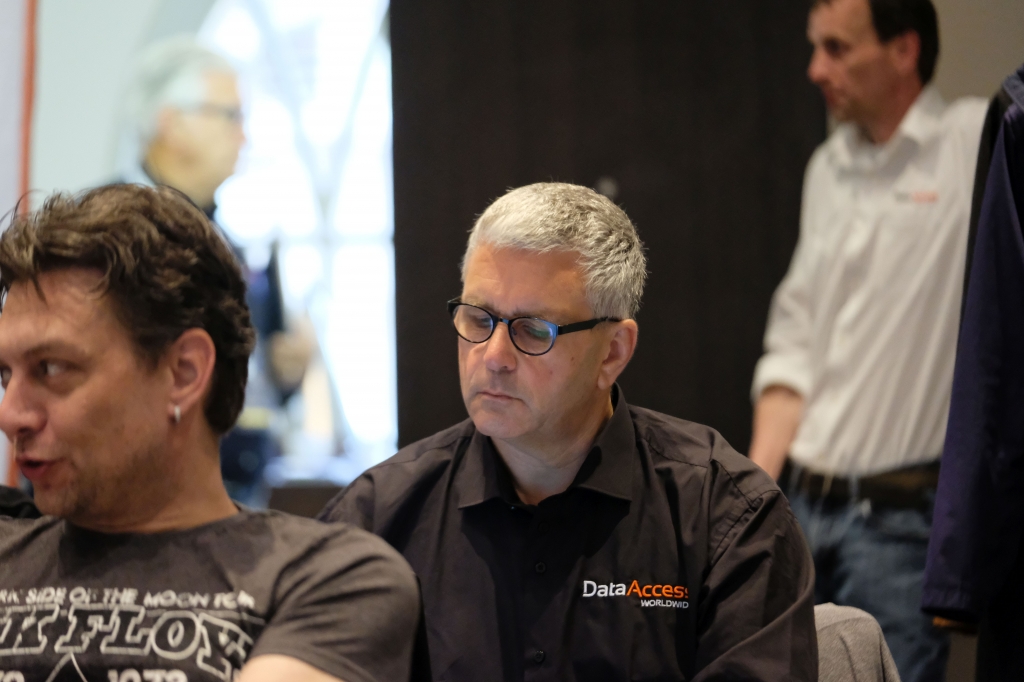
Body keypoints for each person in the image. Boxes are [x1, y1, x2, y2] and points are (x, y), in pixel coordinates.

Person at [320, 182, 817, 681]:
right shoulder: (377, 518)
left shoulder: (726, 517)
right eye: (478, 319)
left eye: (533, 329)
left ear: (613, 353)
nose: (493, 357)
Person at [0, 184, 419, 682]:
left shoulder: (328, 580)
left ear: (184, 372)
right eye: (5, 375)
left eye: (51, 368)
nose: (10, 414)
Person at [747, 0, 986, 679]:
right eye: (815, 46)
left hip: (900, 524)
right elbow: (795, 340)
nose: (815, 68)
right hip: (800, 510)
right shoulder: (828, 167)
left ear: (904, 50)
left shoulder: (972, 142)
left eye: (838, 48)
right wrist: (752, 496)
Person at [119, 37, 313, 504]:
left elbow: (249, 374)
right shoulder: (110, 234)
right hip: (143, 498)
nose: (244, 137)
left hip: (233, 489)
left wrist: (286, 370)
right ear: (172, 124)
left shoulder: (225, 242)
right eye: (231, 116)